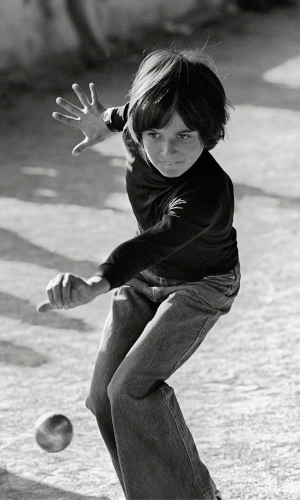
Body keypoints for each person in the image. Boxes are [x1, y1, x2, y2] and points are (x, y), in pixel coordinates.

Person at [41, 47, 240, 500]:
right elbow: (125, 115)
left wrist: (97, 281)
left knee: (130, 388)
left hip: (201, 284)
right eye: (155, 134)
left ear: (208, 134)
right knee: (103, 398)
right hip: (145, 278)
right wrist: (103, 120)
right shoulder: (138, 128)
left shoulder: (207, 192)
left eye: (185, 136)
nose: (167, 151)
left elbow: (157, 239)